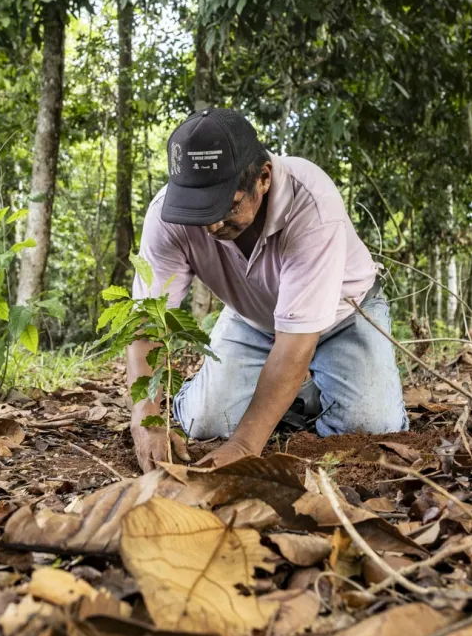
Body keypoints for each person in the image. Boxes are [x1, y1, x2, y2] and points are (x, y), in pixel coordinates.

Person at [127, 108, 407, 472]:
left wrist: (244, 444)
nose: (211, 226)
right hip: (254, 318)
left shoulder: (311, 204)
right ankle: (289, 396)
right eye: (199, 210)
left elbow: (296, 343)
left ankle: (308, 388)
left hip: (345, 314)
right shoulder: (168, 215)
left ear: (263, 178)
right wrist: (147, 419)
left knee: (367, 427)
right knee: (207, 423)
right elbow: (148, 322)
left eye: (226, 206)